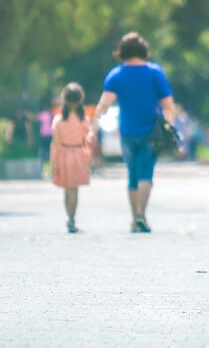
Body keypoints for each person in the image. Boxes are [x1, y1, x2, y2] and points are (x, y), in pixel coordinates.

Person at [88, 32, 174, 233]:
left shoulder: (116, 75)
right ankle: (141, 214)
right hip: (150, 132)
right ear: (144, 50)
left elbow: (104, 105)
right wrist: (169, 125)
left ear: (122, 52)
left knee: (132, 175)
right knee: (146, 174)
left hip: (126, 131)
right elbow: (168, 105)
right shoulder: (154, 72)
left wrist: (93, 127)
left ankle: (135, 219)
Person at [51, 83, 92, 233]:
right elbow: (87, 140)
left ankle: (69, 218)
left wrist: (52, 162)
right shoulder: (84, 119)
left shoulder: (59, 120)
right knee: (75, 190)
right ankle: (72, 219)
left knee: (66, 189)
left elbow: (54, 143)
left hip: (63, 153)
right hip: (78, 154)